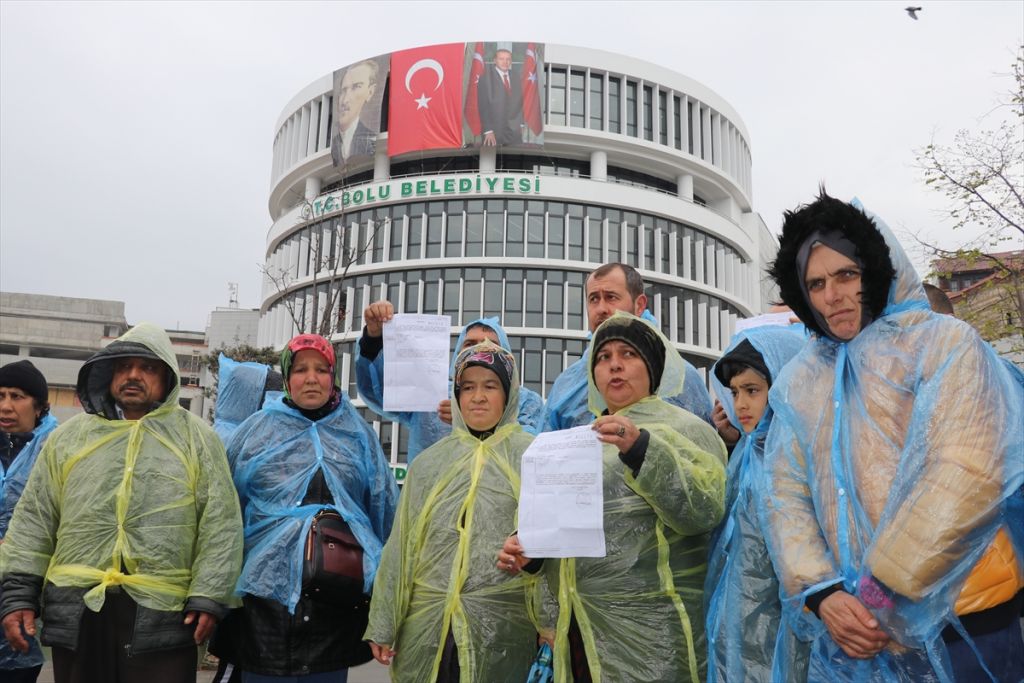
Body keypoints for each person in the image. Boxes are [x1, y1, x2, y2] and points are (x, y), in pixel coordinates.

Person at [763, 190, 1024, 681]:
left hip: (966, 618)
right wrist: (821, 592)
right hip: (853, 630)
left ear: (875, 270)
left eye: (846, 275)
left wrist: (877, 593)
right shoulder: (802, 380)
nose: (831, 295)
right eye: (816, 283)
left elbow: (964, 476)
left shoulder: (942, 343)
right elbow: (784, 495)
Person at [0, 322, 243, 683]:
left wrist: (209, 595)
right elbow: (35, 520)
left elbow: (220, 525)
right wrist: (19, 595)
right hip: (78, 611)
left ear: (167, 376)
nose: (133, 375)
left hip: (163, 616)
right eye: (124, 366)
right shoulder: (68, 439)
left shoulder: (197, 440)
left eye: (147, 367)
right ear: (109, 373)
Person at [500, 313, 727, 682]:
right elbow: (564, 532)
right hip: (580, 634)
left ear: (652, 367)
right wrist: (531, 551)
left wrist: (641, 449)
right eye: (603, 357)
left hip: (653, 637)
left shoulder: (688, 429)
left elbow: (703, 511)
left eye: (628, 354)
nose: (614, 365)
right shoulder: (574, 441)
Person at [224, 333, 398, 682]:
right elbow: (225, 513)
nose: (312, 378)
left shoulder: (357, 434)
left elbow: (385, 512)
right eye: (301, 369)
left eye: (321, 369)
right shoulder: (255, 432)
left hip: (335, 603)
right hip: (264, 608)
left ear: (333, 376)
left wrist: (386, 600)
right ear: (287, 378)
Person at [365, 340, 541, 682]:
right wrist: (384, 623)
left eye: (490, 386)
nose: (478, 397)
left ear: (508, 394)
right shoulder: (429, 465)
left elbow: (552, 558)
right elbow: (400, 549)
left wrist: (549, 623)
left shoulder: (532, 458)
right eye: (468, 387)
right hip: (430, 629)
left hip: (504, 631)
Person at [703, 325, 809, 683]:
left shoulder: (798, 459)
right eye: (734, 392)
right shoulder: (748, 454)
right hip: (740, 626)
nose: (740, 404)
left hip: (785, 631)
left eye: (752, 390)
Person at [356, 303, 543, 463]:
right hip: (433, 492)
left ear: (505, 354)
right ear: (458, 353)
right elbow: (380, 391)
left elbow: (530, 453)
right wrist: (373, 339)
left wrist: (472, 420)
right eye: (470, 344)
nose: (479, 350)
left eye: (490, 344)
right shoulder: (431, 391)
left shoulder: (526, 402)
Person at [541, 262, 713, 432]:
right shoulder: (566, 384)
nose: (601, 309)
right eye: (594, 299)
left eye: (611, 297)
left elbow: (703, 443)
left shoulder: (680, 378)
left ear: (639, 305)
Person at [0, 360, 58, 683]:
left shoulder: (56, 448)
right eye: (0, 396)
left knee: (18, 667)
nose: (6, 406)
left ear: (39, 406)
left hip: (26, 588)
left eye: (17, 396)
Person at [330, 59, 379, 166]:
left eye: (356, 87)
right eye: (343, 90)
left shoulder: (369, 138)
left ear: (370, 92)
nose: (345, 100)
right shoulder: (335, 142)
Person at [478, 48, 523, 146]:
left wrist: (521, 124)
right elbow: (483, 106)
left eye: (508, 59)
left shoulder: (516, 77)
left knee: (515, 156)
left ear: (511, 61)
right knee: (492, 156)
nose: (505, 62)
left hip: (514, 132)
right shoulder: (485, 78)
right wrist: (488, 130)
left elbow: (520, 102)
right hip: (493, 132)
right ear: (495, 60)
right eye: (501, 59)